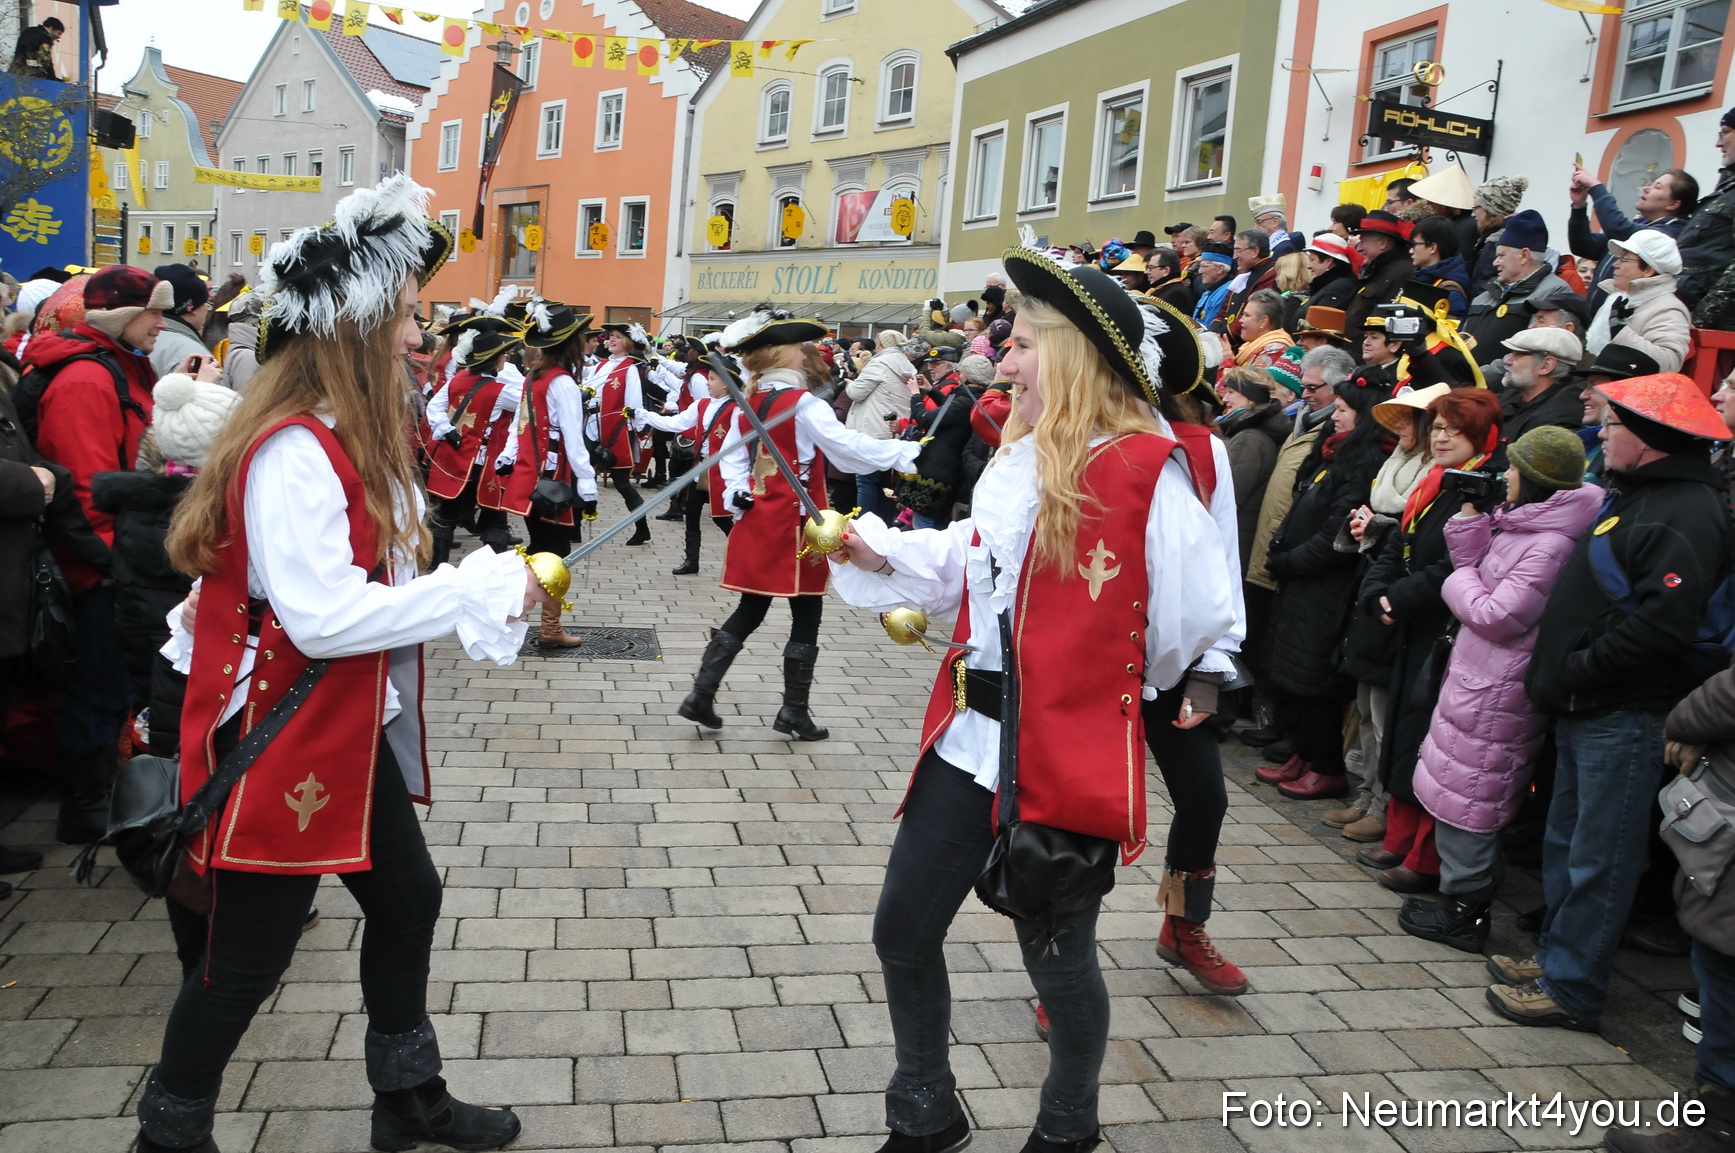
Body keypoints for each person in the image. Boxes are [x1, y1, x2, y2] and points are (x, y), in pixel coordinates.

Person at [138, 175, 536, 1153]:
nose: (418, 335)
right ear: (354, 328)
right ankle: (167, 1136)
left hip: (335, 730)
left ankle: (408, 1098)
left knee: (409, 898)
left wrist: (453, 572)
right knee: (245, 958)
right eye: (406, 317)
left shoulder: (335, 440)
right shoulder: (294, 449)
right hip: (282, 735)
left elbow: (346, 582)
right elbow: (319, 617)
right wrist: (472, 592)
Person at [827, 247, 1233, 1153]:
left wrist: (1077, 681)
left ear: (1073, 355)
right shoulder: (1018, 458)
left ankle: (1066, 1127)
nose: (1001, 362)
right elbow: (975, 563)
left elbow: (1182, 628)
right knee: (901, 927)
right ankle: (924, 1109)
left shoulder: (1145, 473)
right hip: (967, 737)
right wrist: (878, 550)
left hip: (1061, 752)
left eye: (1020, 345)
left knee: (1056, 961)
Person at [1492, 372, 1735, 1032]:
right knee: (1568, 843)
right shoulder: (1644, 494)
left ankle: (1572, 986)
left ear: (1650, 441)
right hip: (1590, 707)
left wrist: (1579, 668)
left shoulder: (1685, 510)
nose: (1601, 430)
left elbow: (1662, 626)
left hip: (1623, 713)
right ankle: (1553, 958)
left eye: (1616, 424)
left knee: (1600, 855)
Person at [28, 265, 221, 842]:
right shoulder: (88, 379)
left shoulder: (121, 365)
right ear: (119, 318)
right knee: (101, 682)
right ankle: (85, 806)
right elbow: (86, 485)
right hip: (104, 567)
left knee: (119, 681)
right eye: (153, 313)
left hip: (127, 559)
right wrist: (115, 566)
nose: (163, 324)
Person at [1400, 427, 1601, 952]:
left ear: (1535, 480)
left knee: (1475, 798)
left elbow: (1498, 613)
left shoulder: (1552, 544)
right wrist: (1469, 528)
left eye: (1514, 469)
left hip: (1498, 690)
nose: (1504, 476)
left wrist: (1460, 574)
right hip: (1478, 679)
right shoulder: (1526, 526)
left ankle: (1468, 913)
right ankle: (1457, 900)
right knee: (1459, 788)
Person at [679, 308, 921, 742]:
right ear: (785, 357)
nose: (804, 355)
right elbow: (844, 449)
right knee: (806, 614)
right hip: (795, 525)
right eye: (798, 349)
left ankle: (702, 693)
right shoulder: (801, 403)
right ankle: (793, 712)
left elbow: (733, 465)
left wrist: (738, 494)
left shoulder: (747, 404)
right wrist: (901, 453)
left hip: (757, 522)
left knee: (751, 610)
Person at [1357, 388, 1504, 893]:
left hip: (1443, 626)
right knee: (1402, 725)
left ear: (1479, 436)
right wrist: (1379, 592)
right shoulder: (1435, 482)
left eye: (1452, 430)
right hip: (1412, 621)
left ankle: (1423, 854)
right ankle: (1399, 836)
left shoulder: (1484, 488)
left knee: (1431, 738)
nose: (1439, 437)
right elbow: (1401, 539)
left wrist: (1399, 596)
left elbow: (1459, 562)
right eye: (1436, 428)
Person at [1259, 368, 1396, 800]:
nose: (1335, 417)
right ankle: (1303, 754)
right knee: (1295, 674)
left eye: (1343, 410)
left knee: (1314, 678)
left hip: (1326, 587)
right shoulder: (1332, 456)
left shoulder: (1363, 463)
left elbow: (1336, 537)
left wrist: (1291, 562)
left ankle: (1327, 766)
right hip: (1302, 584)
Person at [1329, 385, 1443, 844]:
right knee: (1365, 709)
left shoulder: (1433, 474)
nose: (1402, 427)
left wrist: (1380, 530)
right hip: (1373, 590)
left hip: (1398, 605)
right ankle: (1364, 794)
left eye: (1412, 419)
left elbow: (1418, 541)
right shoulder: (1393, 464)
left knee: (1383, 709)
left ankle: (1379, 801)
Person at [93, 371, 240, 711]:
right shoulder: (225, 519)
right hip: (217, 691)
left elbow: (129, 616)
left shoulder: (133, 512)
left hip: (160, 683)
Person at [490, 299, 601, 641]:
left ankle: (518, 617)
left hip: (529, 476)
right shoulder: (562, 382)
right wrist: (588, 485)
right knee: (554, 555)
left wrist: (509, 456)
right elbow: (573, 439)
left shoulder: (532, 378)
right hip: (554, 480)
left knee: (541, 550)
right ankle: (544, 626)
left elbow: (518, 429)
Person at [424, 315, 524, 566]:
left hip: (452, 457)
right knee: (494, 517)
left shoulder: (456, 380)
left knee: (445, 516)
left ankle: (438, 569)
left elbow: (433, 408)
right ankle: (493, 573)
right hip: (480, 463)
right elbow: (528, 405)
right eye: (504, 355)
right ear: (496, 359)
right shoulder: (501, 391)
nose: (506, 359)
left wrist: (446, 429)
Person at [1568, 165, 1696, 311]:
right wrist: (1579, 207)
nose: (1647, 188)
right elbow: (1583, 246)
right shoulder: (1639, 227)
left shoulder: (1668, 234)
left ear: (1674, 204)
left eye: (1657, 187)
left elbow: (1618, 228)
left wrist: (1596, 187)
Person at [1463, 209, 1572, 355]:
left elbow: (1534, 351)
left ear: (1524, 255)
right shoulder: (1484, 296)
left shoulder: (1555, 293)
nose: (1495, 263)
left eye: (1501, 255)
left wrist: (1483, 374)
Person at [584, 323, 654, 544]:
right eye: (611, 336)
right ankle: (574, 529)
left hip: (615, 431)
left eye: (618, 337)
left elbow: (633, 405)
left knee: (622, 483)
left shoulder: (629, 369)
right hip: (591, 427)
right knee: (580, 476)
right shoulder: (600, 364)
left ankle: (642, 528)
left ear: (628, 343)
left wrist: (634, 430)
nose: (612, 340)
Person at [1585, 229, 1692, 374]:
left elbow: (1668, 363)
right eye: (1618, 257)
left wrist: (1620, 332)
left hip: (1626, 394)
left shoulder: (1669, 309)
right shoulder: (1617, 298)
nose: (1615, 264)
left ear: (1648, 270)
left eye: (1625, 259)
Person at [1218, 368, 1290, 572]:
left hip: (1235, 539)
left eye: (1231, 392)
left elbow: (1229, 500)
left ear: (1250, 398)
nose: (1225, 399)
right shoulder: (1249, 432)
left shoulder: (1247, 438)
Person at [843, 330, 916, 522]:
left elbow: (857, 393)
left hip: (872, 432)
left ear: (881, 344)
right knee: (886, 485)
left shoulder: (878, 363)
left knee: (866, 481)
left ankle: (863, 524)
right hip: (895, 430)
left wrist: (850, 384)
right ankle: (884, 524)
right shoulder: (907, 364)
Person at [1673, 108, 1735, 312]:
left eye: (1724, 132)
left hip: (1713, 332)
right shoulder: (1726, 191)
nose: (1719, 143)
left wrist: (1699, 318)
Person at [1576, 345, 1660, 485]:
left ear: (1625, 393)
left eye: (1593, 386)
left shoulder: (1629, 459)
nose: (1582, 395)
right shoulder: (1587, 440)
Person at [1499, 327, 1586, 442]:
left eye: (1518, 355)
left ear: (1546, 366)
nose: (1507, 361)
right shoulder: (1512, 396)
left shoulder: (1558, 421)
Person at [1344, 212, 1415, 349]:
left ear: (1382, 242)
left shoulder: (1402, 272)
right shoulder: (1378, 269)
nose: (1360, 248)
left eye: (1363, 241)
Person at [149, 265, 216, 380]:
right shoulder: (192, 355)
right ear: (192, 308)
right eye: (205, 303)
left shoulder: (143, 339)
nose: (206, 309)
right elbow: (213, 396)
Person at [1467, 175, 1530, 299]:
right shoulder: (1512, 235)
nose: (1473, 214)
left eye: (1476, 208)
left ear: (1491, 209)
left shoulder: (1496, 242)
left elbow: (1484, 286)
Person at [1409, 216, 1471, 321]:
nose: (1411, 251)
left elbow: (1450, 333)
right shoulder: (1422, 278)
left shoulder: (1449, 292)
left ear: (1433, 248)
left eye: (1415, 244)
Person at [1233, 289, 1292, 370]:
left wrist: (1227, 362)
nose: (1241, 320)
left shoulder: (1276, 350)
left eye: (1246, 315)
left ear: (1263, 321)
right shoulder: (1250, 346)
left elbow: (1250, 382)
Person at [1301, 234, 1358, 312]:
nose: (1309, 266)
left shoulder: (1335, 290)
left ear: (1328, 261)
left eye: (1312, 259)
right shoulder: (1329, 286)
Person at [1192, 245, 1235, 330]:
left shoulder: (1228, 291)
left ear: (1220, 269)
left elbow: (1210, 329)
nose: (1200, 271)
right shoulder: (1208, 292)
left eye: (1204, 266)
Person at [10, 15, 63, 80]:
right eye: (59, 33)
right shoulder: (35, 32)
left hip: (27, 74)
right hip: (24, 74)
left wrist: (53, 79)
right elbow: (26, 48)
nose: (58, 37)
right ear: (51, 28)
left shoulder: (41, 36)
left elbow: (48, 63)